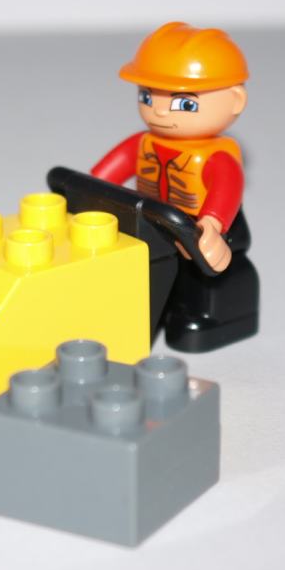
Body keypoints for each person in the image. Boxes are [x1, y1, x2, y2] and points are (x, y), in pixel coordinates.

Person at [92, 22, 259, 351]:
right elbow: (103, 175)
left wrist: (211, 225)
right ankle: (153, 308)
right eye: (147, 96)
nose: (158, 111)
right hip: (151, 223)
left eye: (185, 103)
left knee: (201, 273)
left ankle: (201, 314)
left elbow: (227, 189)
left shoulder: (217, 157)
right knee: (147, 269)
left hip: (199, 229)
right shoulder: (143, 143)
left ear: (235, 101)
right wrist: (87, 195)